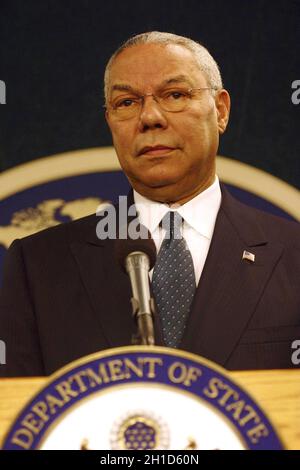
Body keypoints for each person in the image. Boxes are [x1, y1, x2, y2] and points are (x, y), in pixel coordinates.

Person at [0, 32, 299, 377]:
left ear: (220, 110)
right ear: (110, 122)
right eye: (126, 102)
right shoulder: (39, 266)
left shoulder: (293, 254)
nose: (150, 117)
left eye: (175, 95)